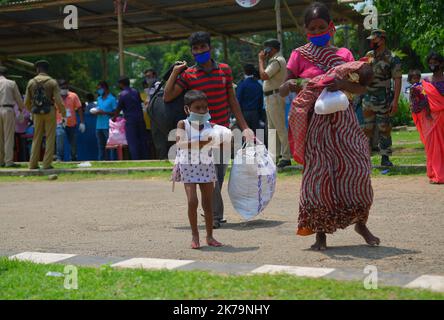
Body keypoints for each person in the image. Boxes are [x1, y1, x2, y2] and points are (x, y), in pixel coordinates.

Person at [285, 2, 380, 250]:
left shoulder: (345, 55)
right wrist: (299, 86)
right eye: (312, 29)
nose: (318, 32)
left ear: (330, 26)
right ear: (306, 30)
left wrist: (343, 86)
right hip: (315, 125)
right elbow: (286, 84)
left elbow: (361, 87)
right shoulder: (299, 55)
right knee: (319, 177)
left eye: (321, 27)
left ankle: (361, 223)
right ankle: (320, 235)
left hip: (344, 121)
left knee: (357, 170)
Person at [164, 31, 254, 229]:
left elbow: (232, 100)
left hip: (222, 132)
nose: (199, 51)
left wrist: (245, 127)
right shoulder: (188, 75)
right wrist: (175, 72)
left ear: (210, 48)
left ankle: (214, 214)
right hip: (199, 133)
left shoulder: (224, 70)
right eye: (195, 49)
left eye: (202, 47)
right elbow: (167, 96)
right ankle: (213, 217)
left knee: (218, 176)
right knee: (210, 176)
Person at [171, 90, 222, 249]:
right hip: (188, 166)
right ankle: (195, 235)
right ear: (187, 109)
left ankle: (210, 237)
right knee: (192, 201)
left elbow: (219, 144)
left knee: (208, 204)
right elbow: (179, 144)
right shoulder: (183, 124)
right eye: (197, 107)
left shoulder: (211, 126)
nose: (202, 111)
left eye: (205, 108)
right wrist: (201, 142)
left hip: (206, 166)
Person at [362, 29, 402, 167]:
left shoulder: (392, 57)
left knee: (384, 128)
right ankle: (364, 158)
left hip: (383, 97)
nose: (371, 42)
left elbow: (397, 79)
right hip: (368, 98)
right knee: (366, 129)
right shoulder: (368, 55)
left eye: (374, 39)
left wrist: (395, 101)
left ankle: (385, 157)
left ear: (382, 39)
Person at [408, 52, 444, 184]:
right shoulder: (426, 82)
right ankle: (436, 174)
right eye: (430, 62)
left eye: (435, 61)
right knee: (432, 147)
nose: (432, 64)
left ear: (441, 63)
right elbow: (420, 101)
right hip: (430, 119)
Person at [25, 60, 66, 170]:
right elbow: (58, 100)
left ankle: (32, 164)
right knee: (50, 137)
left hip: (36, 112)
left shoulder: (31, 82)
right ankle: (46, 164)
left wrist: (31, 111)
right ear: (47, 70)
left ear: (38, 69)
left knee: (36, 137)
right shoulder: (52, 82)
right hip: (49, 111)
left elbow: (26, 102)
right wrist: (63, 113)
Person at [259, 39, 291, 168]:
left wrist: (261, 60)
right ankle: (274, 156)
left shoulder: (277, 60)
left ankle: (286, 156)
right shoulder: (274, 60)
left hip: (275, 96)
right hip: (270, 97)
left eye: (267, 49)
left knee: (279, 127)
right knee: (272, 128)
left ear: (272, 49)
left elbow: (264, 75)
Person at [114, 76, 149, 160]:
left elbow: (118, 108)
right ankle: (145, 158)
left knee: (133, 142)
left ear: (121, 84)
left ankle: (136, 159)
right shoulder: (135, 91)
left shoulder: (122, 94)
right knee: (142, 141)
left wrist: (114, 117)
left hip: (130, 121)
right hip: (140, 119)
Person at [0, 65, 26, 167]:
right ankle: (8, 161)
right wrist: (20, 109)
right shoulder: (11, 83)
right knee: (8, 136)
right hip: (8, 109)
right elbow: (19, 99)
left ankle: (0, 161)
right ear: (6, 74)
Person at [56, 79, 85, 161]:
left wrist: (82, 122)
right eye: (62, 88)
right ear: (59, 88)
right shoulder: (55, 96)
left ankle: (73, 157)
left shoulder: (73, 96)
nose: (64, 90)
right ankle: (59, 157)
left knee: (73, 143)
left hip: (72, 123)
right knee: (60, 136)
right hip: (60, 122)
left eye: (65, 87)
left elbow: (79, 108)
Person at [236, 64, 264, 133]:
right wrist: (260, 117)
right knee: (259, 136)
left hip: (244, 114)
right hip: (256, 114)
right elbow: (261, 103)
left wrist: (236, 116)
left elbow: (238, 101)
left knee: (245, 137)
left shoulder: (242, 84)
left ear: (244, 72)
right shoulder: (259, 85)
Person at [94, 81, 117, 161]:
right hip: (98, 125)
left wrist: (105, 112)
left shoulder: (112, 99)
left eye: (100, 88)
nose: (99, 90)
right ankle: (101, 161)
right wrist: (96, 112)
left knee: (111, 146)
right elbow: (98, 108)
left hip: (108, 125)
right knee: (100, 146)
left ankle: (112, 161)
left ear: (105, 88)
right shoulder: (98, 99)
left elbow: (115, 112)